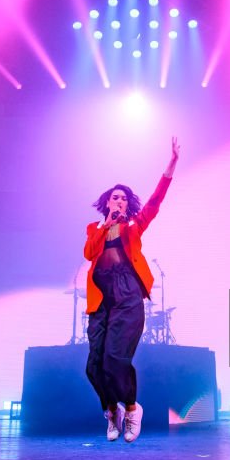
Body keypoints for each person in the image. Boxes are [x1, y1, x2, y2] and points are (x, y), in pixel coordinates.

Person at [84, 137, 180, 443]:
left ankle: (131, 408)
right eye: (115, 197)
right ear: (107, 202)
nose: (119, 201)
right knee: (93, 367)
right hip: (101, 300)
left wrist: (171, 164)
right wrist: (103, 226)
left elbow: (155, 201)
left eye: (124, 198)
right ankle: (111, 411)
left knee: (115, 360)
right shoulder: (94, 229)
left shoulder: (134, 226)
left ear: (128, 204)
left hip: (127, 295)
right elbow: (89, 253)